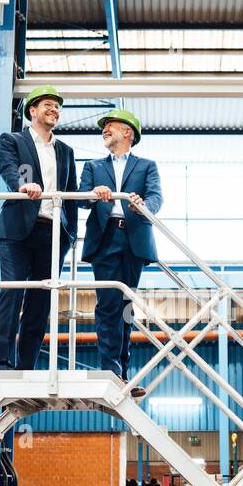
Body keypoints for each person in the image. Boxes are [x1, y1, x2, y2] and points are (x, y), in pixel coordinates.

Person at [0, 85, 79, 374]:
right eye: (48, 105)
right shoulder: (14, 141)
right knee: (12, 292)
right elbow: (9, 168)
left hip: (53, 234)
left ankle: (26, 365)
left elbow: (71, 193)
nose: (54, 110)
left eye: (57, 107)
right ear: (33, 110)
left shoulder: (65, 151)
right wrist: (22, 183)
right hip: (18, 231)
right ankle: (1, 363)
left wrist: (70, 234)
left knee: (41, 301)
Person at [78, 108, 162, 396]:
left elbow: (156, 197)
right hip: (105, 238)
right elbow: (81, 200)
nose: (104, 130)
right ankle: (110, 370)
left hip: (134, 239)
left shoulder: (147, 165)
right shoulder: (93, 167)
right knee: (107, 305)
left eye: (110, 125)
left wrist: (143, 204)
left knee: (126, 307)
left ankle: (121, 373)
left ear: (128, 132)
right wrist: (93, 193)